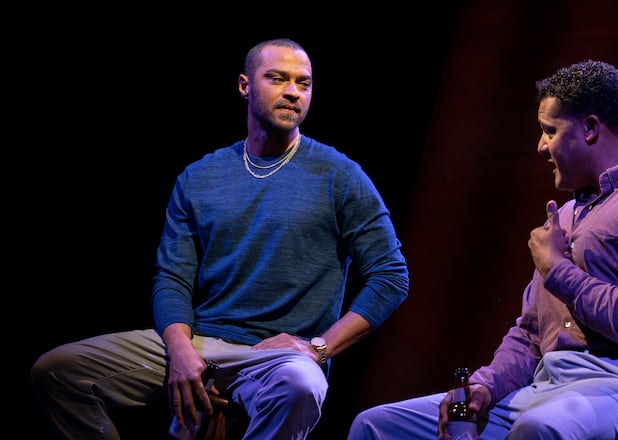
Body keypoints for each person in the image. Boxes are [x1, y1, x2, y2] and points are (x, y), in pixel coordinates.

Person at [30, 37, 409, 440]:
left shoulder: (339, 175)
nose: (293, 92)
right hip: (200, 341)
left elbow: (391, 276)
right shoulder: (200, 177)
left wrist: (318, 348)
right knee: (59, 372)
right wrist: (179, 349)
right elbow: (171, 277)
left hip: (275, 356)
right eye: (278, 79)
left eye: (304, 83)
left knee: (303, 384)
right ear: (245, 86)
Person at [347, 59, 618, 439]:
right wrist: (486, 385)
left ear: (589, 128)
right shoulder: (568, 213)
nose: (540, 147)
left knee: (540, 429)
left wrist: (558, 271)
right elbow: (530, 333)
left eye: (549, 131)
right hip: (545, 386)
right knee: (378, 426)